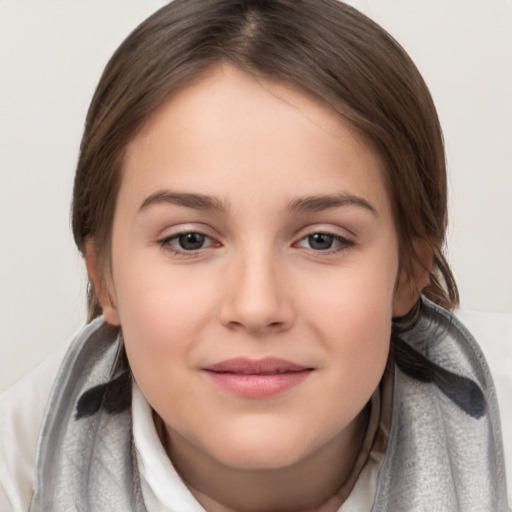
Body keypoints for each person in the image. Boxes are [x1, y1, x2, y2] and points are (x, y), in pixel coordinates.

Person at [0, 0, 508, 510]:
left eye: (322, 240)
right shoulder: (16, 472)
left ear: (409, 270)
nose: (256, 306)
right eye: (190, 240)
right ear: (103, 275)